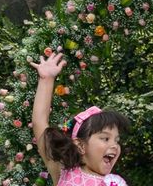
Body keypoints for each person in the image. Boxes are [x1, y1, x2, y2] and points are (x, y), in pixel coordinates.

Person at [30, 52, 130, 186]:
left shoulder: (113, 183)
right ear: (81, 146)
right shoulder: (63, 172)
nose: (114, 145)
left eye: (116, 140)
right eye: (105, 138)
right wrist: (46, 79)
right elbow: (39, 123)